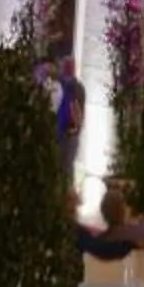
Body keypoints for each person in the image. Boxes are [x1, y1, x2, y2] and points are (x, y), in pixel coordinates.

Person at [55, 46, 85, 185]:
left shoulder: (74, 87)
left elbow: (77, 109)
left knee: (66, 168)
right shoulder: (61, 85)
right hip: (63, 132)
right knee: (63, 168)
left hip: (68, 132)